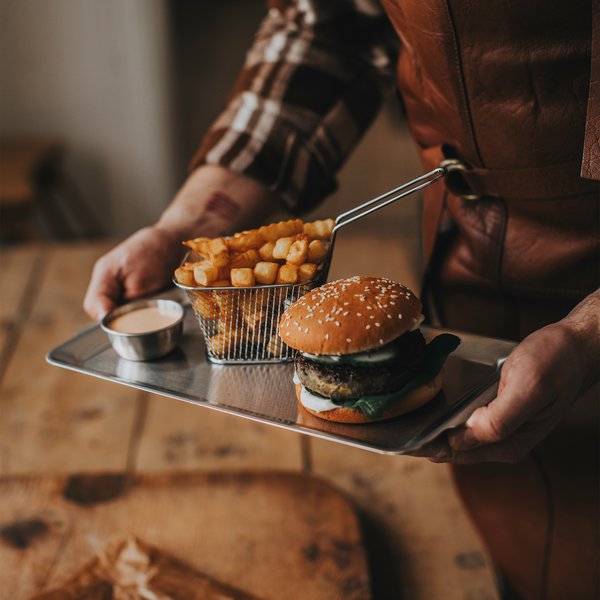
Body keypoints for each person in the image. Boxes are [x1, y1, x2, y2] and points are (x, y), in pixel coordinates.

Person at [84, 2, 599, 598]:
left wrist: (588, 336)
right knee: (523, 537)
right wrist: (187, 226)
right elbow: (331, 27)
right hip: (470, 243)